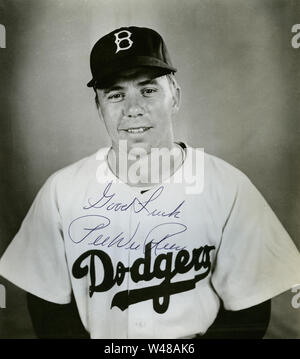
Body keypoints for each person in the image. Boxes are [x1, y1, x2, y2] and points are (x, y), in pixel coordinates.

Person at [0, 26, 300, 339]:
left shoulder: (229, 187)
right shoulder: (60, 192)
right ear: (98, 107)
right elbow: (46, 305)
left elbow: (250, 311)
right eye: (115, 95)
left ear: (175, 97)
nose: (132, 109)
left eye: (148, 90)